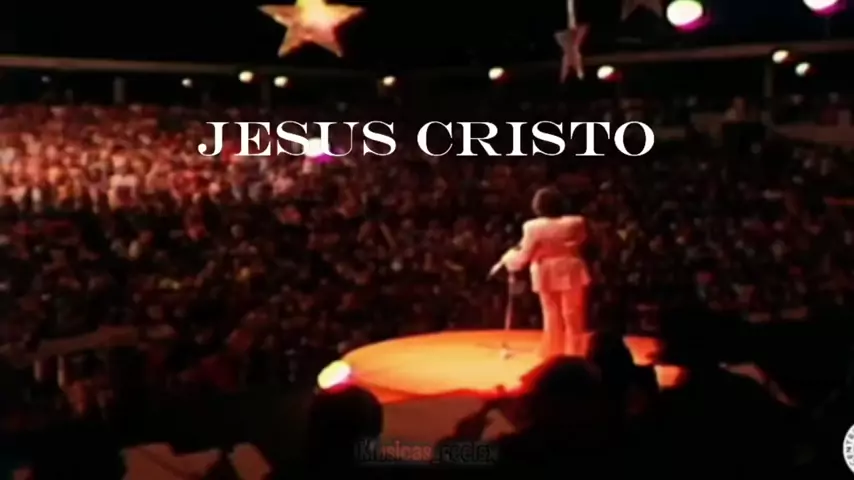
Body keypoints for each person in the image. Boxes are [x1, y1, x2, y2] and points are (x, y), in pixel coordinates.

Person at [500, 187, 591, 357]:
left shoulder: (532, 227)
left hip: (546, 270)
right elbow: (580, 241)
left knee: (551, 314)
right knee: (573, 314)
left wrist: (509, 260)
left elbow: (525, 253)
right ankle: (575, 353)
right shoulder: (577, 222)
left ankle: (553, 352)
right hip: (571, 268)